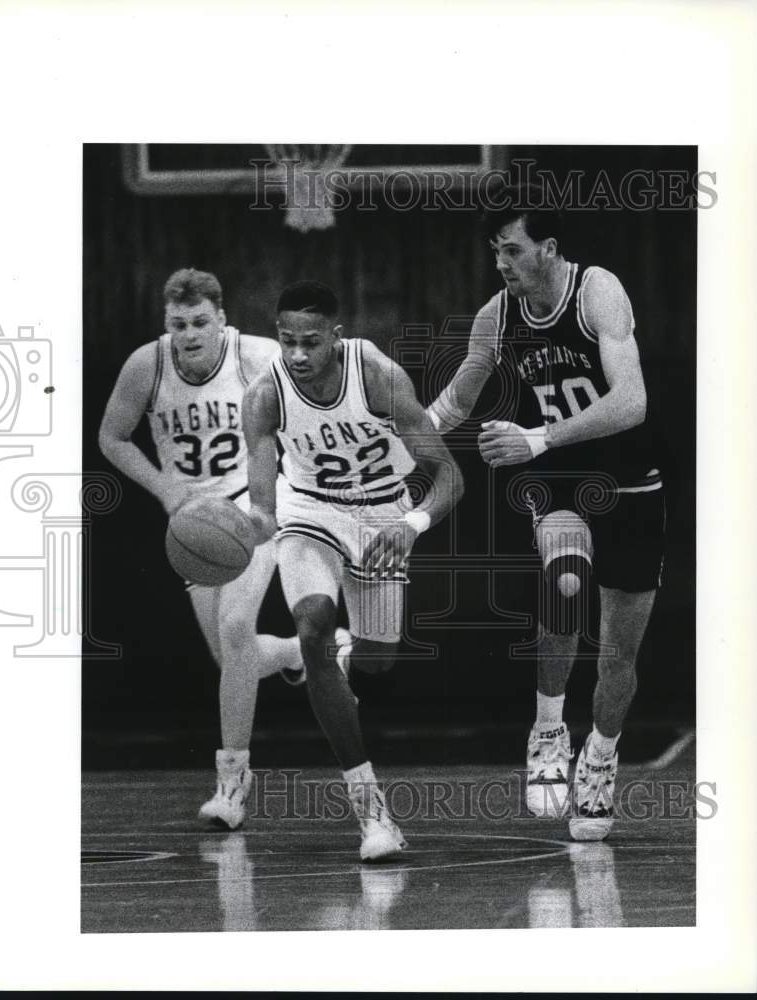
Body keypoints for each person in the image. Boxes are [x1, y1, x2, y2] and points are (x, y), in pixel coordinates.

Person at [427, 185, 665, 841]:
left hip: (629, 483)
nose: (500, 262)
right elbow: (455, 401)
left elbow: (632, 401)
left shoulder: (596, 292)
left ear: (547, 249)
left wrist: (536, 436)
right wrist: (404, 437)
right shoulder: (496, 315)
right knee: (563, 581)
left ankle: (600, 758)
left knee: (619, 652)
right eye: (494, 251)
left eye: (512, 249)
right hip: (558, 481)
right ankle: (548, 728)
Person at [243, 280, 463, 860]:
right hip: (309, 510)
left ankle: (341, 654)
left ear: (336, 338)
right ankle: (372, 813)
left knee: (377, 662)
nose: (296, 354)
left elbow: (448, 475)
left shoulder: (378, 376)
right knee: (313, 625)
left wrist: (411, 524)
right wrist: (253, 525)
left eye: (310, 342)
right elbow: (265, 504)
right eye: (286, 340)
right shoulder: (266, 393)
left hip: (381, 513)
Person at [99, 267, 309, 831]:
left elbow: (310, 411)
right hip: (195, 521)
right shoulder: (148, 364)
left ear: (221, 320)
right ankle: (297, 653)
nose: (190, 333)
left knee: (237, 630)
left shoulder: (256, 356)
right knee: (231, 661)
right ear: (167, 325)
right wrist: (164, 486)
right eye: (178, 323)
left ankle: (232, 783)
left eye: (200, 322)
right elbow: (111, 436)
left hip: (253, 505)